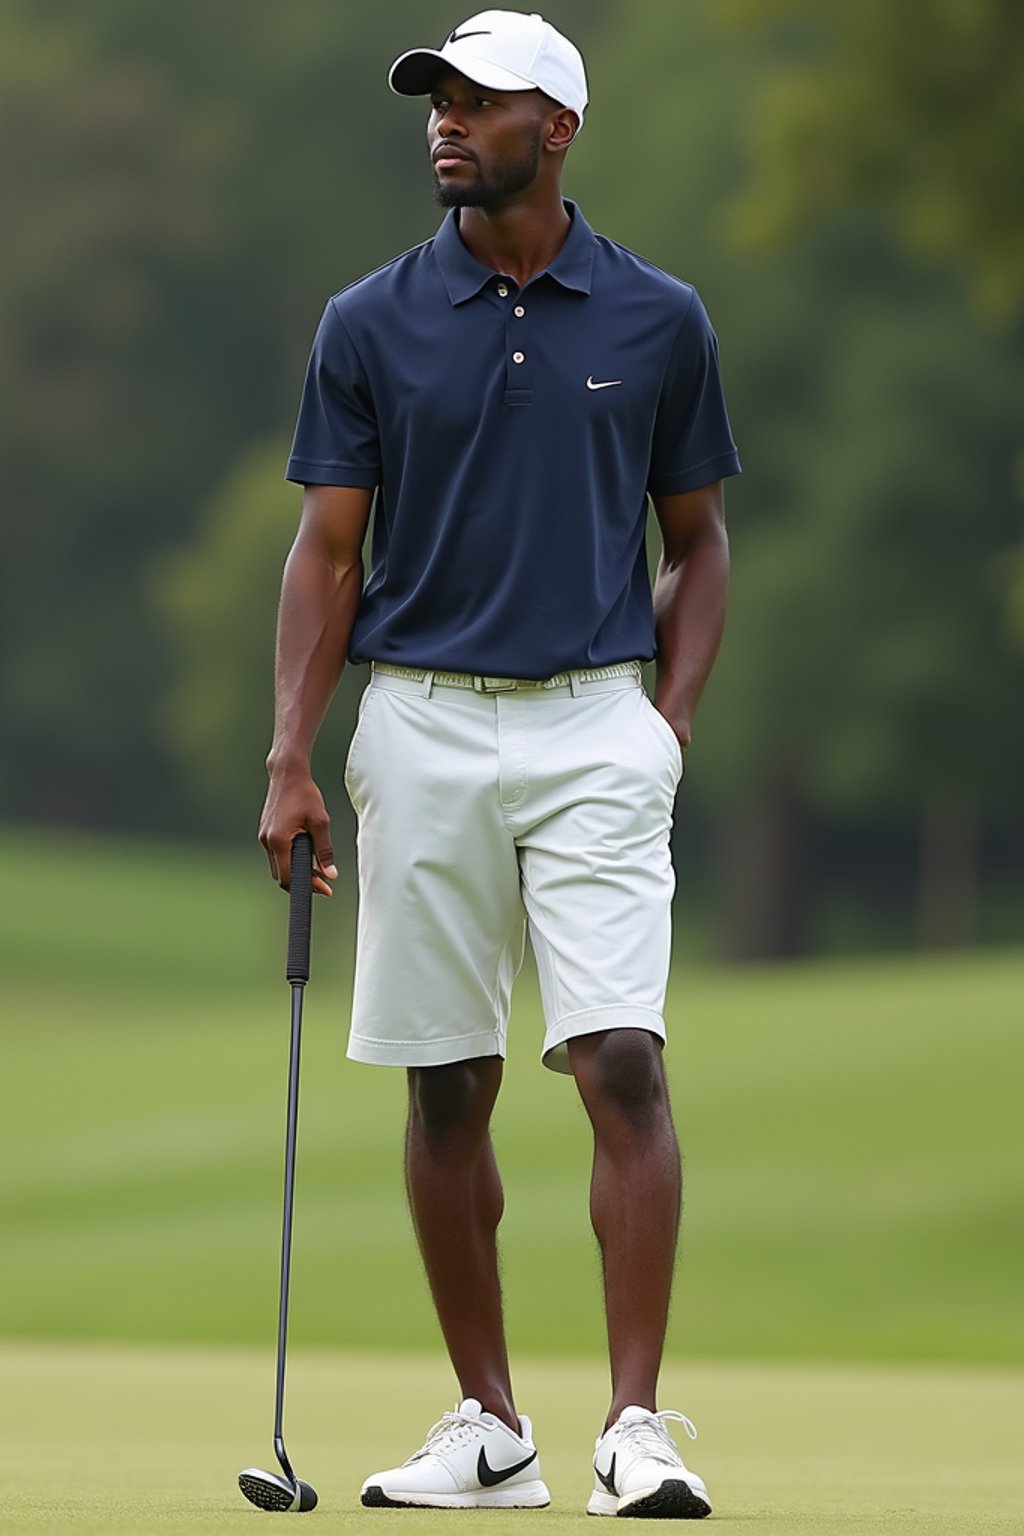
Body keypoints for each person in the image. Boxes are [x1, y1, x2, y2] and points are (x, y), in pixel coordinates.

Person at [259, 9, 740, 1519]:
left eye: (482, 102)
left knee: (623, 1059)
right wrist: (291, 751)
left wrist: (669, 724)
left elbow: (702, 543)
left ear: (563, 128)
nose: (447, 124)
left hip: (599, 719)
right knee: (447, 1086)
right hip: (420, 716)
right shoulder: (369, 321)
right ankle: (491, 1425)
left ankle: (638, 1429)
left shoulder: (660, 318)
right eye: (438, 102)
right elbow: (329, 553)